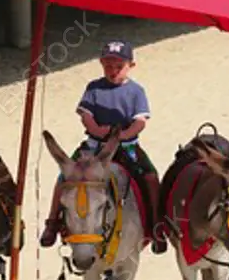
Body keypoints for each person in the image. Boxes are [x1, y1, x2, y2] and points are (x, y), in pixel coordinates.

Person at [38, 40, 165, 254]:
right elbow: (85, 115)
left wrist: (122, 136)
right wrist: (98, 131)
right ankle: (53, 222)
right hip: (94, 145)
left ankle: (155, 225)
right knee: (65, 177)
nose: (113, 71)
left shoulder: (136, 91)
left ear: (130, 66)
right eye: (108, 66)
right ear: (101, 64)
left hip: (127, 145)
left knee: (150, 176)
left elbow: (140, 121)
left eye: (118, 66)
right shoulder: (94, 87)